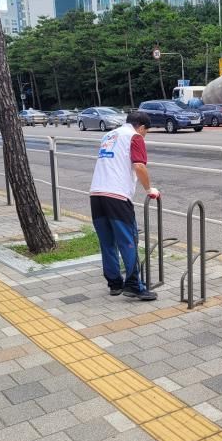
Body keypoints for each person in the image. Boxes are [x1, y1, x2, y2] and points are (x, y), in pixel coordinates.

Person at [89, 111, 159, 301]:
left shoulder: (109, 135)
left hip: (96, 194)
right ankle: (134, 285)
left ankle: (114, 283)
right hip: (117, 196)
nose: (145, 135)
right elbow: (139, 166)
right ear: (141, 127)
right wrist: (149, 189)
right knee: (128, 241)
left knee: (107, 242)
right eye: (146, 131)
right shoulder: (134, 137)